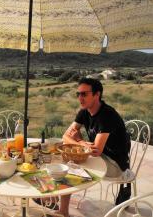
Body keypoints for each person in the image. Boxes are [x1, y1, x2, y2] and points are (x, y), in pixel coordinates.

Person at [57, 78, 131, 216]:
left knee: (71, 165)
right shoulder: (84, 111)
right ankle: (62, 210)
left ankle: (61, 209)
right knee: (67, 159)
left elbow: (95, 151)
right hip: (100, 157)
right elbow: (65, 136)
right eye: (78, 94)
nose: (80, 98)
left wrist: (78, 138)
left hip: (115, 165)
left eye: (84, 94)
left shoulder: (107, 115)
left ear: (97, 95)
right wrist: (80, 142)